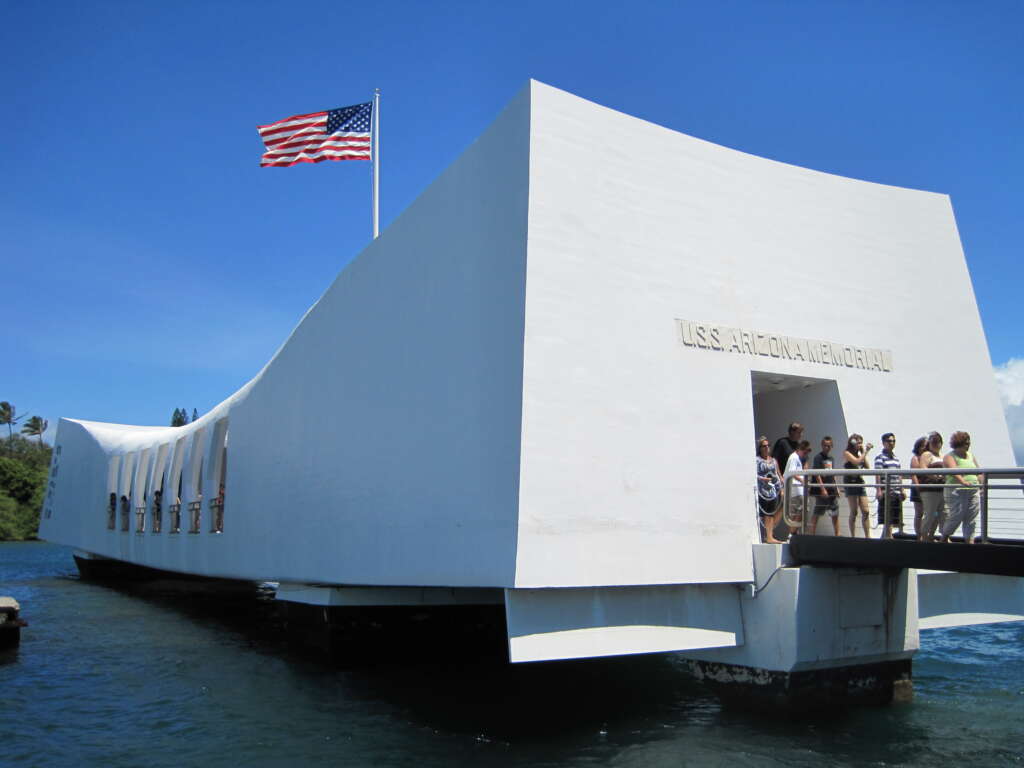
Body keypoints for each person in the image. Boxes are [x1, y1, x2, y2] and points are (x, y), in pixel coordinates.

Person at [940, 431, 982, 544]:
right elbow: (953, 470)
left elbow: (979, 471)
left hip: (973, 490)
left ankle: (969, 541)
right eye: (966, 443)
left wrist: (982, 485)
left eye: (969, 443)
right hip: (957, 490)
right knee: (956, 515)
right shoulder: (950, 456)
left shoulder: (971, 456)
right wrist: (963, 481)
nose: (968, 445)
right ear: (959, 443)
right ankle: (944, 537)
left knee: (971, 516)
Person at [874, 433, 905, 538]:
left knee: (892, 521)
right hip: (886, 492)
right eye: (889, 441)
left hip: (896, 493)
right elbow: (878, 474)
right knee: (888, 520)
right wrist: (878, 490)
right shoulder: (880, 457)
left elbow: (899, 475)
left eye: (893, 441)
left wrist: (902, 490)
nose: (891, 443)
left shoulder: (896, 458)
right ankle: (888, 539)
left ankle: (885, 539)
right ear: (883, 443)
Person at [843, 434, 873, 537]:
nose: (860, 444)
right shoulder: (847, 453)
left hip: (859, 482)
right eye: (858, 442)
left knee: (866, 511)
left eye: (861, 442)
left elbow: (867, 467)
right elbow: (856, 462)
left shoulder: (860, 454)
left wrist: (862, 452)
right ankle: (853, 535)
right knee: (854, 511)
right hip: (850, 483)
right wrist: (865, 452)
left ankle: (867, 536)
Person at [918, 432, 946, 541]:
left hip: (942, 489)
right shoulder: (927, 455)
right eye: (933, 442)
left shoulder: (943, 456)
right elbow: (923, 469)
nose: (935, 444)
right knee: (929, 514)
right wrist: (935, 477)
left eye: (938, 441)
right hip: (930, 489)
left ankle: (932, 536)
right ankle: (924, 536)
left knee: (942, 514)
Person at [755, 437, 784, 543]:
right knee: (764, 515)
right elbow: (754, 475)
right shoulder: (757, 460)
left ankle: (769, 536)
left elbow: (778, 474)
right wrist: (763, 479)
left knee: (771, 514)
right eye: (764, 446)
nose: (767, 448)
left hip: (772, 491)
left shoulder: (773, 460)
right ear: (760, 448)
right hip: (762, 491)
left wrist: (781, 486)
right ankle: (767, 536)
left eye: (768, 445)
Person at [810, 436, 840, 535]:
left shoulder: (831, 458)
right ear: (822, 446)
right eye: (825, 445)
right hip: (821, 491)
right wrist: (822, 489)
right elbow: (817, 474)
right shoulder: (818, 457)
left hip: (831, 489)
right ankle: (811, 533)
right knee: (818, 511)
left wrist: (836, 488)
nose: (827, 447)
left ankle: (837, 534)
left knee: (835, 512)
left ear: (831, 446)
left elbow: (832, 474)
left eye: (829, 446)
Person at [783, 440, 813, 534]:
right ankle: (792, 532)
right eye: (805, 452)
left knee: (796, 512)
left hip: (798, 490)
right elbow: (792, 472)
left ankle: (793, 533)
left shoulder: (798, 458)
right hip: (796, 490)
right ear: (800, 449)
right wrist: (802, 481)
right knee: (802, 510)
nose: (805, 454)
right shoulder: (794, 458)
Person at [909, 436, 928, 538]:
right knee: (919, 513)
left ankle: (927, 534)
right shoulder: (915, 458)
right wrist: (918, 488)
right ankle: (919, 535)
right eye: (923, 446)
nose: (924, 448)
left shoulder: (929, 457)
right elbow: (914, 474)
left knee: (929, 513)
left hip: (928, 488)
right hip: (918, 488)